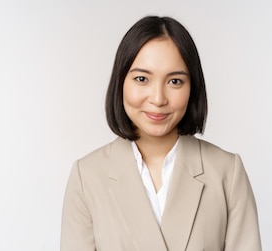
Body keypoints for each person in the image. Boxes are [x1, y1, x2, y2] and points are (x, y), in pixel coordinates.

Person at [60, 16, 261, 251]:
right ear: (120, 82)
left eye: (175, 81)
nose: (158, 99)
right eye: (142, 79)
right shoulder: (87, 176)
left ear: (192, 87)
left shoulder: (227, 172)